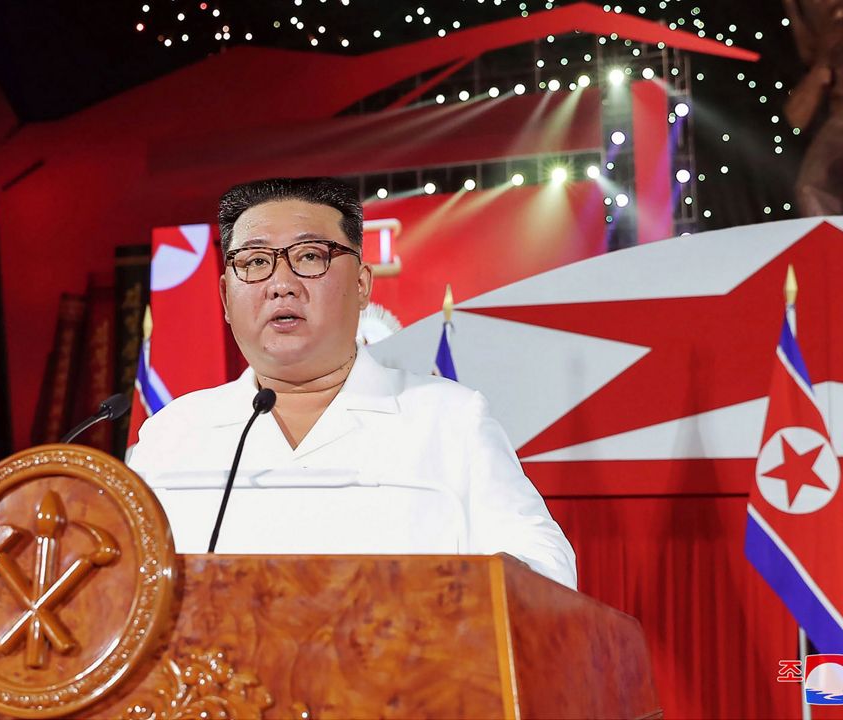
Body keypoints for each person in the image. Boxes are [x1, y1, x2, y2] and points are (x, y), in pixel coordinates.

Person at [127, 177, 577, 589]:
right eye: (256, 262)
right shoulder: (173, 432)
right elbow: (122, 586)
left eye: (309, 257)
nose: (281, 284)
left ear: (362, 284)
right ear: (226, 295)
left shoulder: (450, 419)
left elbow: (545, 568)